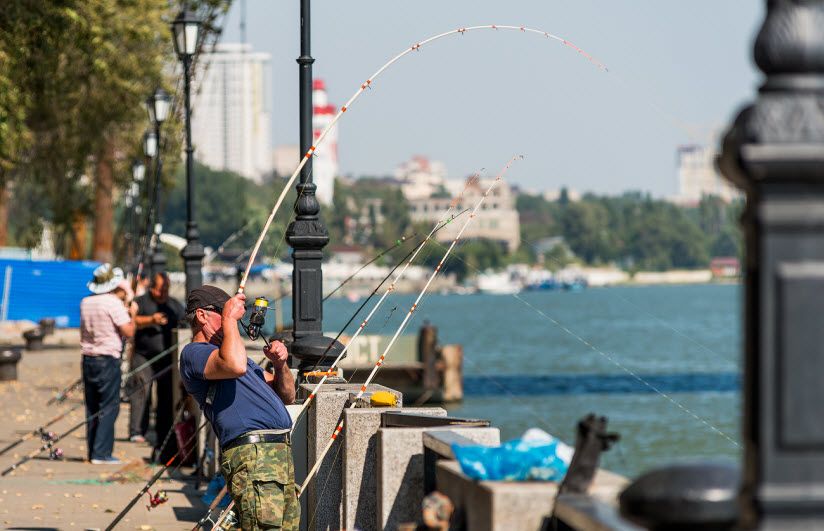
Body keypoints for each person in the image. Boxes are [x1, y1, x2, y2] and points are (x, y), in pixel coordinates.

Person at [179, 286, 299, 530]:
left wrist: (280, 365)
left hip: (278, 455)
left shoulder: (240, 357)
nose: (231, 316)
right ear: (202, 315)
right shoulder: (194, 353)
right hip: (253, 456)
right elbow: (234, 366)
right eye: (222, 311)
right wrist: (230, 319)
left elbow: (288, 395)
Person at [79, 264, 136, 464]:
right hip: (108, 359)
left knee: (92, 406)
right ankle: (101, 453)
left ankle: (93, 450)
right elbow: (128, 331)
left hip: (88, 358)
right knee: (109, 405)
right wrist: (132, 313)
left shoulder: (85, 302)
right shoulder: (113, 303)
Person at [129, 272, 185, 462]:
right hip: (143, 355)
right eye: (160, 289)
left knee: (166, 396)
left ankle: (164, 432)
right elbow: (131, 321)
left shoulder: (174, 305)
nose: (163, 292)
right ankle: (137, 430)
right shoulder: (141, 302)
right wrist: (151, 320)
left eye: (166, 289)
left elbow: (184, 323)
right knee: (141, 390)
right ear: (152, 287)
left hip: (166, 358)